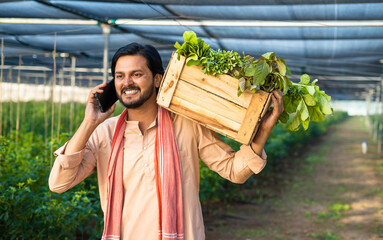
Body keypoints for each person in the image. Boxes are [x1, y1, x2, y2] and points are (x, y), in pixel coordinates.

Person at [49, 42, 284, 240]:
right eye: (120, 76)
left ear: (158, 79)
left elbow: (233, 170)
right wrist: (90, 122)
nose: (126, 82)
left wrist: (262, 130)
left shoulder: (187, 124)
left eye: (137, 74)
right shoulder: (104, 134)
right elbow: (59, 183)